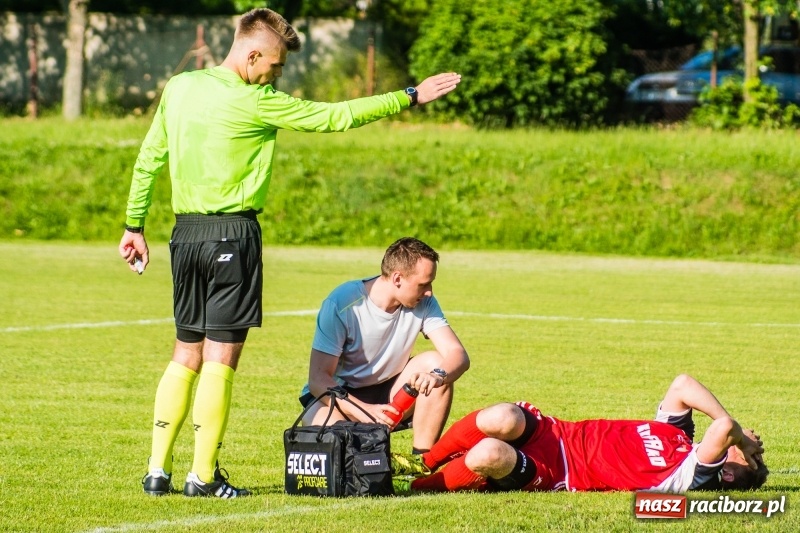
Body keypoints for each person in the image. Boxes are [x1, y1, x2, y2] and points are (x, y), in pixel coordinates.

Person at [118, 8, 461, 499]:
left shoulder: (180, 86)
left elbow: (150, 157)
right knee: (219, 359)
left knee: (183, 354)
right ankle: (202, 476)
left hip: (184, 236)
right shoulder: (257, 101)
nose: (278, 76)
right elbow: (334, 117)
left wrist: (134, 224)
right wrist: (409, 95)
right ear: (252, 53)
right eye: (276, 66)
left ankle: (156, 471)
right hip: (232, 236)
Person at [393, 374, 767, 494]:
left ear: (729, 470)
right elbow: (683, 384)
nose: (754, 444)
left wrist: (743, 440)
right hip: (557, 432)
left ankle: (415, 487)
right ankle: (420, 462)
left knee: (490, 454)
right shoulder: (680, 436)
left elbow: (723, 428)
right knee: (501, 416)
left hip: (558, 471)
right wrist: (741, 441)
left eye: (753, 457)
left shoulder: (692, 473)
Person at [299, 237, 470, 453]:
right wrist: (365, 411)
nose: (429, 292)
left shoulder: (425, 303)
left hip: (392, 392)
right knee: (340, 444)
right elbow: (318, 379)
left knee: (437, 363)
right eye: (423, 284)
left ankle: (420, 464)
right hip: (341, 399)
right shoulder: (343, 303)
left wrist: (437, 376)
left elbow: (457, 354)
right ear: (397, 278)